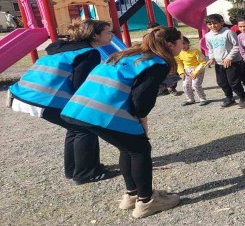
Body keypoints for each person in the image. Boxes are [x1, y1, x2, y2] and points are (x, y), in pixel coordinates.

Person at [60, 26, 183, 218]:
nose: (182, 45)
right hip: (102, 112)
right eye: (181, 41)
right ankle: (146, 201)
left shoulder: (129, 54)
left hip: (77, 109)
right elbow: (142, 97)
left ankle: (132, 195)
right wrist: (141, 117)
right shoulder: (157, 62)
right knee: (140, 150)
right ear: (169, 44)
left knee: (128, 148)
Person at [9, 19, 118, 184]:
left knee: (74, 128)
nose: (112, 35)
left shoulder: (65, 48)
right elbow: (80, 86)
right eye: (108, 32)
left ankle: (74, 169)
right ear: (95, 35)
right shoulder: (89, 53)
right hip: (41, 98)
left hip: (23, 93)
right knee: (85, 127)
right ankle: (86, 173)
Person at [204, 14, 245, 108]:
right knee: (222, 82)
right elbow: (210, 48)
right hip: (219, 63)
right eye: (209, 24)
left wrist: (229, 57)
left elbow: (237, 46)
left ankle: (243, 99)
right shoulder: (208, 35)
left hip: (233, 62)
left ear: (221, 22)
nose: (213, 26)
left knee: (234, 82)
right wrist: (211, 57)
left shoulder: (228, 32)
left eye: (215, 23)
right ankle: (230, 99)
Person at [176, 36, 211, 107]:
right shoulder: (178, 52)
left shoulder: (195, 50)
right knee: (185, 85)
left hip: (197, 69)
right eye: (180, 44)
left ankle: (202, 99)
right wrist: (181, 72)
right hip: (186, 70)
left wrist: (196, 72)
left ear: (188, 43)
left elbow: (203, 62)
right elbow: (179, 63)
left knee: (195, 85)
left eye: (184, 43)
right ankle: (190, 99)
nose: (182, 46)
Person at [228, 15, 245, 92]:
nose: (242, 28)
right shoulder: (235, 30)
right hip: (242, 53)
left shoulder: (233, 29)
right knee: (243, 70)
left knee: (243, 70)